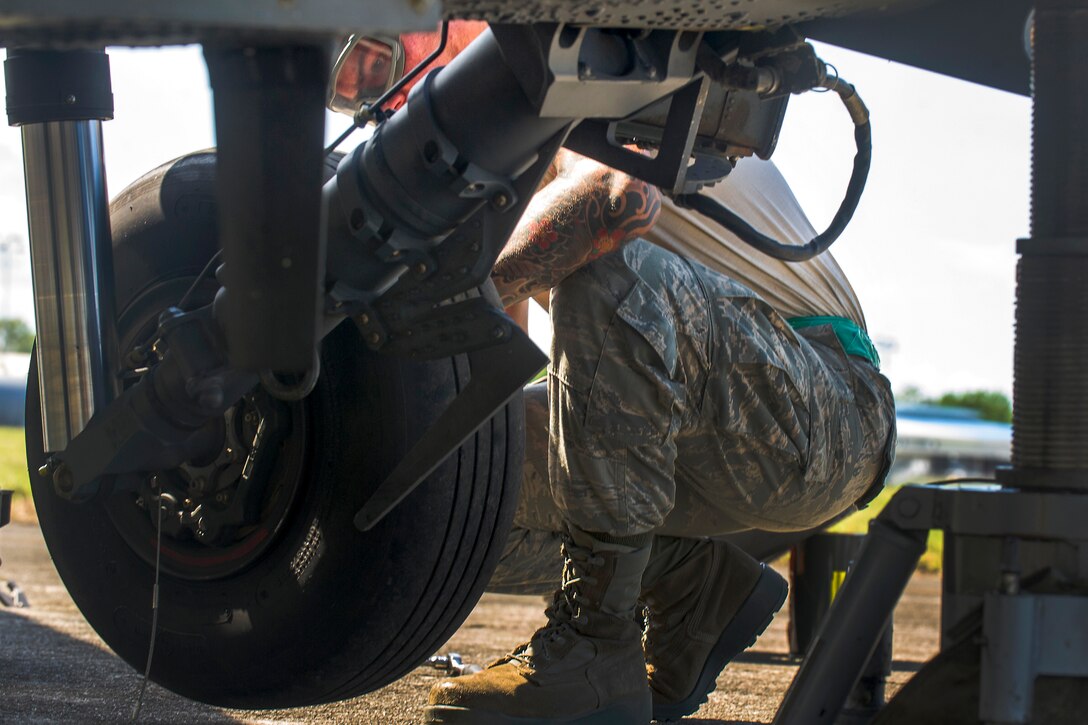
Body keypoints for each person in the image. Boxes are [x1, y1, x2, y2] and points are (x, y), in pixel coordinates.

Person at [361, 23, 895, 724]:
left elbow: (618, 201)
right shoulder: (499, 182)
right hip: (704, 437)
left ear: (466, 30)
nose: (389, 93)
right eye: (364, 81)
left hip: (829, 415)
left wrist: (459, 287)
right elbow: (485, 390)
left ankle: (593, 644)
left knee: (606, 271)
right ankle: (692, 587)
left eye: (389, 57)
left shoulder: (597, 85)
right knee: (442, 482)